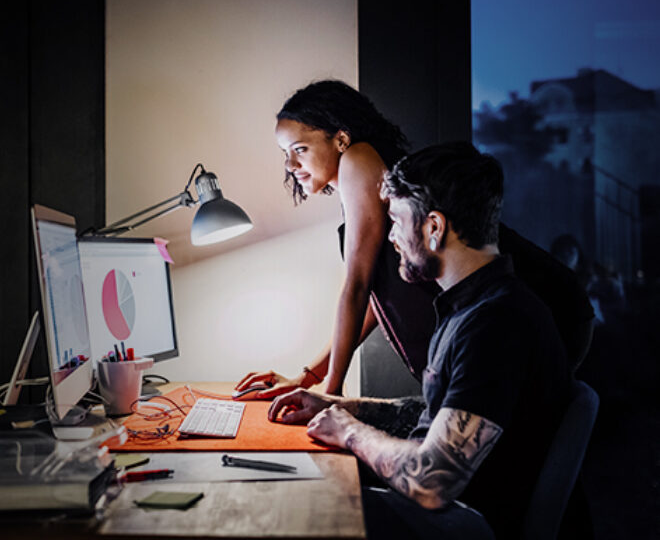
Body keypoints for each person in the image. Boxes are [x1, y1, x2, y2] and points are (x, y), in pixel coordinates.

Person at [268, 143, 572, 540]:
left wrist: (348, 431)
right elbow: (431, 414)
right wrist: (334, 405)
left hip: (456, 523)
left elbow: (432, 481)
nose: (391, 236)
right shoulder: (471, 306)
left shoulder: (496, 324)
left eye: (395, 220)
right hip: (441, 513)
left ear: (433, 227)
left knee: (280, 507)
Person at [236, 80, 593, 400]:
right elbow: (375, 296)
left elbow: (357, 285)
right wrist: (310, 378)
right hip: (538, 314)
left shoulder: (358, 160)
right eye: (285, 154)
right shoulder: (367, 175)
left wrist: (329, 393)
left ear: (341, 139)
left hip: (544, 299)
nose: (290, 165)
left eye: (299, 149)